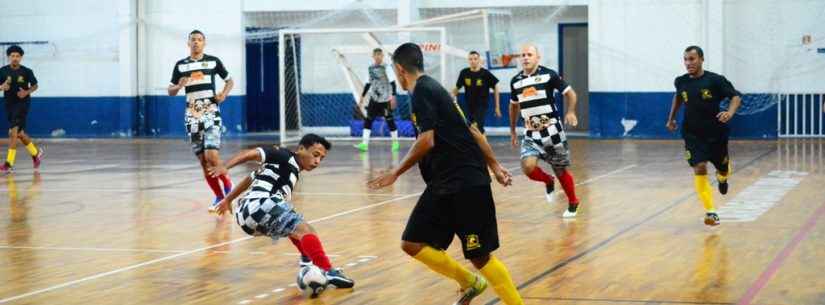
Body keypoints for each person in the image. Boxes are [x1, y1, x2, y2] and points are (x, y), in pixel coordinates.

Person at [368, 42, 524, 305]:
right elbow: (472, 132)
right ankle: (470, 282)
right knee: (412, 243)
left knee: (479, 256)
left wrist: (396, 172)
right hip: (442, 184)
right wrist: (495, 166)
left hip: (465, 183)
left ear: (398, 69)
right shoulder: (434, 90)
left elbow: (426, 140)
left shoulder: (423, 91)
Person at [210, 133, 355, 289]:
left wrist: (228, 199)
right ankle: (328, 270)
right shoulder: (284, 155)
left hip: (247, 215)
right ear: (301, 149)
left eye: (321, 158)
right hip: (259, 204)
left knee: (293, 227)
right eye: (315, 155)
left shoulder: (285, 169)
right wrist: (225, 166)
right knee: (305, 229)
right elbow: (251, 153)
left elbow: (251, 178)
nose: (317, 161)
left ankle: (307, 263)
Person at [666, 45, 741, 226]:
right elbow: (678, 97)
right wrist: (671, 118)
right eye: (685, 59)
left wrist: (729, 113)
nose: (688, 63)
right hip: (692, 134)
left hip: (716, 134)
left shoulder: (715, 80)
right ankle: (711, 212)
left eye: (692, 59)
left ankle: (723, 177)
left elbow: (736, 97)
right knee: (699, 167)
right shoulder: (681, 81)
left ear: (701, 59)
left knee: (722, 169)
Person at [508, 43, 581, 218]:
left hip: (552, 131)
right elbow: (513, 107)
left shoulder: (549, 75)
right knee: (527, 167)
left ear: (537, 58)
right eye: (523, 55)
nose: (525, 57)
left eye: (529, 54)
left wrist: (570, 111)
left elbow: (571, 94)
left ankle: (573, 202)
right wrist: (512, 130)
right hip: (530, 133)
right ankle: (548, 181)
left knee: (560, 169)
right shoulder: (515, 81)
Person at [167, 30, 234, 206]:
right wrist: (178, 86)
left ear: (204, 43)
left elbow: (230, 81)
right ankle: (219, 196)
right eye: (193, 40)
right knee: (204, 162)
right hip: (192, 115)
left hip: (211, 112)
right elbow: (170, 91)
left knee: (211, 155)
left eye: (199, 40)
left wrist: (224, 95)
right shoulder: (180, 65)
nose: (196, 42)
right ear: (188, 43)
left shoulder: (213, 61)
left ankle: (228, 186)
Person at [0, 45, 43, 174]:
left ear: (21, 58)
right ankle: (36, 153)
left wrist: (27, 92)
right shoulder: (2, 71)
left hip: (22, 104)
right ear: (9, 57)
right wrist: (1, 87)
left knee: (13, 133)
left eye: (17, 56)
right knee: (20, 134)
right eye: (12, 56)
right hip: (9, 104)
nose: (15, 58)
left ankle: (9, 163)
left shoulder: (27, 71)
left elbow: (35, 85)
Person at [354, 48, 400, 152]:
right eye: (376, 55)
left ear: (382, 56)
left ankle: (395, 142)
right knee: (368, 120)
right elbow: (368, 83)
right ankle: (364, 144)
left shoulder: (386, 68)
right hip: (374, 98)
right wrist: (362, 96)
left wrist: (393, 96)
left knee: (389, 120)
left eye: (380, 54)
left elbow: (393, 83)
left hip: (385, 99)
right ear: (373, 56)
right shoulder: (370, 68)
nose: (378, 56)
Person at [452, 50, 501, 134]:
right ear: (468, 60)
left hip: (482, 106)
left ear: (479, 60)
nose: (473, 61)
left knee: (476, 127)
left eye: (475, 59)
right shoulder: (464, 73)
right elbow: (457, 88)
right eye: (470, 59)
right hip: (469, 106)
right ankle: (480, 145)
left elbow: (496, 87)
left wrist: (497, 107)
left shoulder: (485, 74)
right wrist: (450, 97)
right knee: (473, 129)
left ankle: (483, 147)